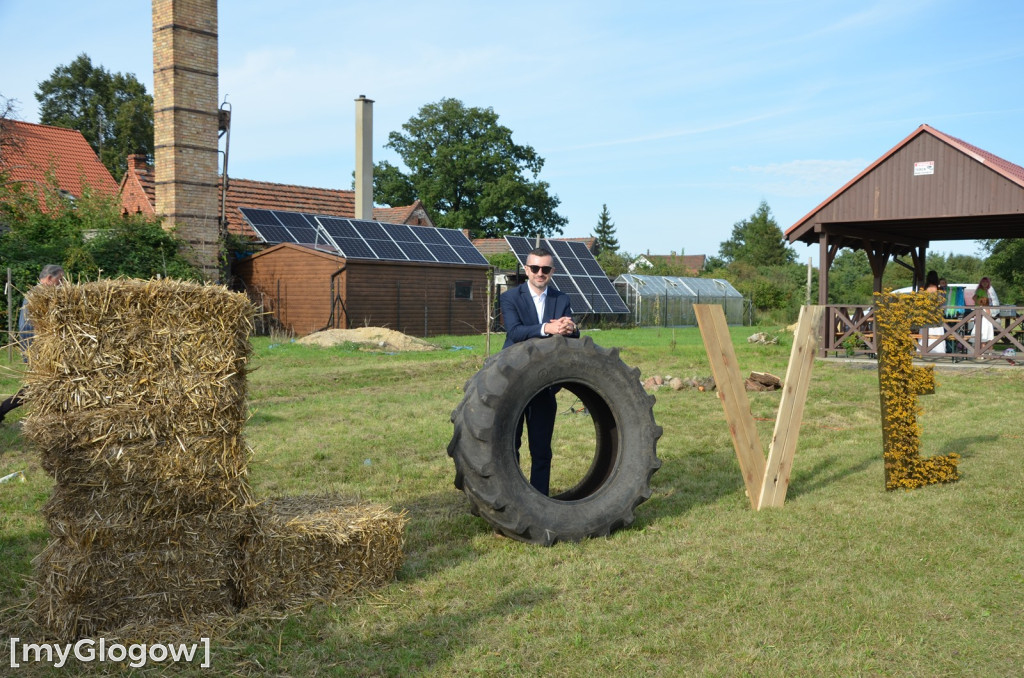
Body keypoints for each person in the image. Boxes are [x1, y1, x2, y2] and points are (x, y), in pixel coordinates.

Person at [499, 248, 579, 496]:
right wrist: (547, 327)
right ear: (526, 270)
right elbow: (515, 332)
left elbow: (571, 333)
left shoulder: (561, 298)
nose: (540, 273)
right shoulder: (511, 297)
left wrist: (569, 326)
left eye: (545, 269)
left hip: (544, 382)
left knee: (542, 449)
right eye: (535, 268)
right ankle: (512, 498)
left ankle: (540, 499)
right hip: (512, 380)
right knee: (511, 446)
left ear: (552, 272)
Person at [0, 264, 64, 423]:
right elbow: (37, 326)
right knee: (39, 387)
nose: (62, 284)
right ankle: (2, 410)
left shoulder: (34, 293)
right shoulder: (38, 295)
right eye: (60, 280)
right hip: (36, 348)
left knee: (42, 386)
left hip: (36, 347)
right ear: (49, 278)